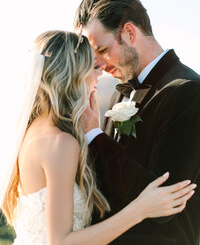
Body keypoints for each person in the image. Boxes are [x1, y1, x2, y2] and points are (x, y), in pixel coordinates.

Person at [0, 30, 195, 245]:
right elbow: (61, 241)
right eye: (93, 67)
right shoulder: (61, 143)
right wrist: (140, 209)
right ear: (72, 75)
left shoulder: (33, 132)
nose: (100, 74)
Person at [74, 0, 200, 245]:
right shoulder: (117, 95)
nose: (97, 64)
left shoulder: (189, 92)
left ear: (129, 33)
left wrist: (95, 135)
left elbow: (166, 198)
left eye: (102, 49)